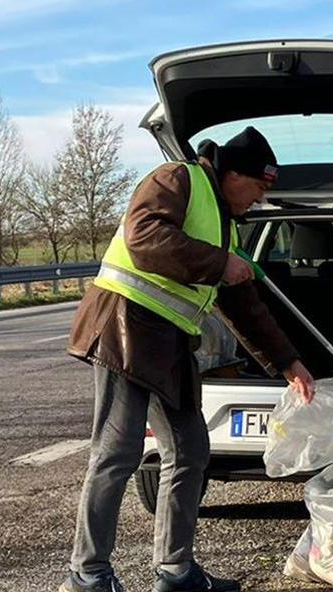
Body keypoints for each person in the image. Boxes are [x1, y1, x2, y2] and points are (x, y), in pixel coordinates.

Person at [60, 126, 316, 592]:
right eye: (258, 187)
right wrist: (219, 264)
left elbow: (243, 305)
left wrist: (288, 364)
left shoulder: (224, 223)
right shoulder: (175, 179)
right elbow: (143, 236)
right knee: (116, 454)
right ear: (232, 173)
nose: (259, 200)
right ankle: (87, 574)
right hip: (125, 331)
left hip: (170, 344)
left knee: (190, 452)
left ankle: (176, 573)